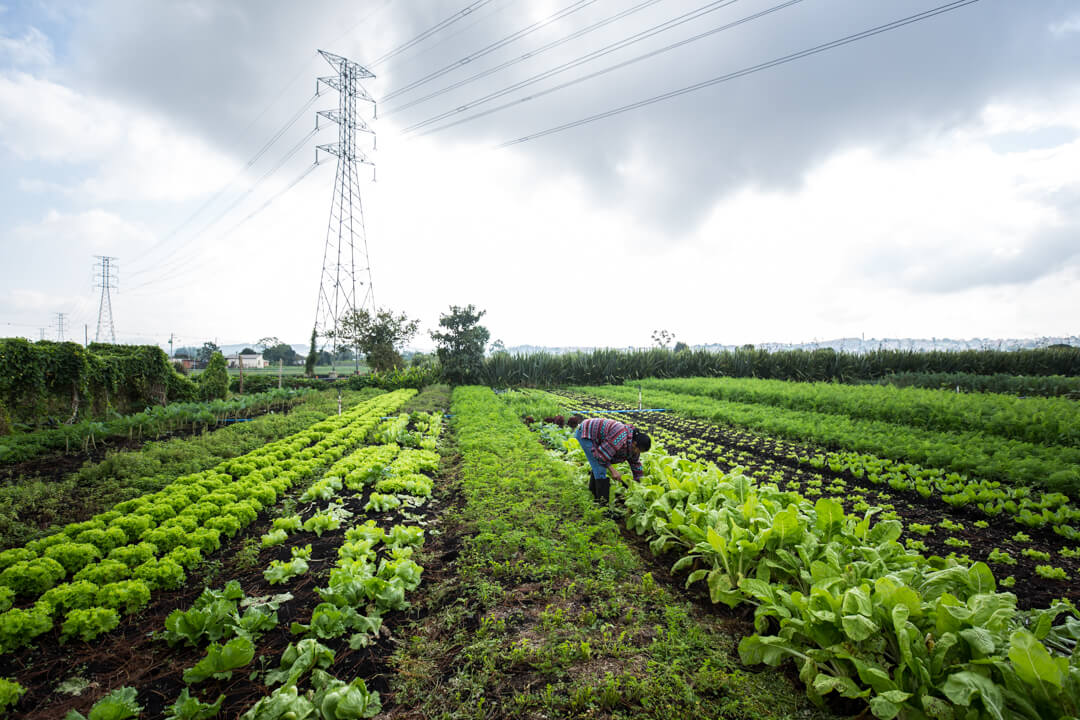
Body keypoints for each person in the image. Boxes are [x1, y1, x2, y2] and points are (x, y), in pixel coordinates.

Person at [568, 414, 651, 504]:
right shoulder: (621, 436)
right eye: (639, 450)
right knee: (600, 467)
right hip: (587, 434)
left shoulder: (634, 447)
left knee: (598, 467)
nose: (638, 453)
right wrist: (613, 471)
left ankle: (592, 494)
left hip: (599, 439)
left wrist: (639, 485)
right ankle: (602, 505)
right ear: (634, 443)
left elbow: (636, 465)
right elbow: (602, 455)